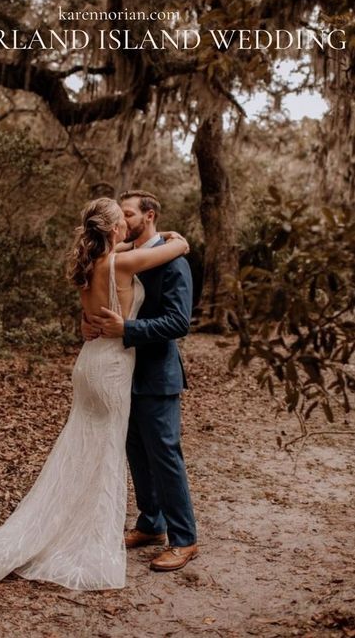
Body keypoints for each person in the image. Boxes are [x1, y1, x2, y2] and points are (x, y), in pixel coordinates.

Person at [0, 197, 189, 591]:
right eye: (122, 221)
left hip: (87, 364)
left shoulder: (93, 264)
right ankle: (89, 537)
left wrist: (132, 243)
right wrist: (178, 240)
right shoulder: (122, 263)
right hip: (112, 369)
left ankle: (77, 524)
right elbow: (177, 248)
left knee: (80, 449)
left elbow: (123, 253)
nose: (127, 227)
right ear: (114, 230)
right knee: (106, 455)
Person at [85, 190, 197, 572]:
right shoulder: (122, 255)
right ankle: (151, 524)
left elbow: (179, 322)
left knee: (165, 454)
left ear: (148, 216)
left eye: (128, 213)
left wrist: (127, 329)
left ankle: (185, 539)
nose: (123, 218)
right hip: (121, 373)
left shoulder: (174, 261)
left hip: (156, 374)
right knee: (136, 451)